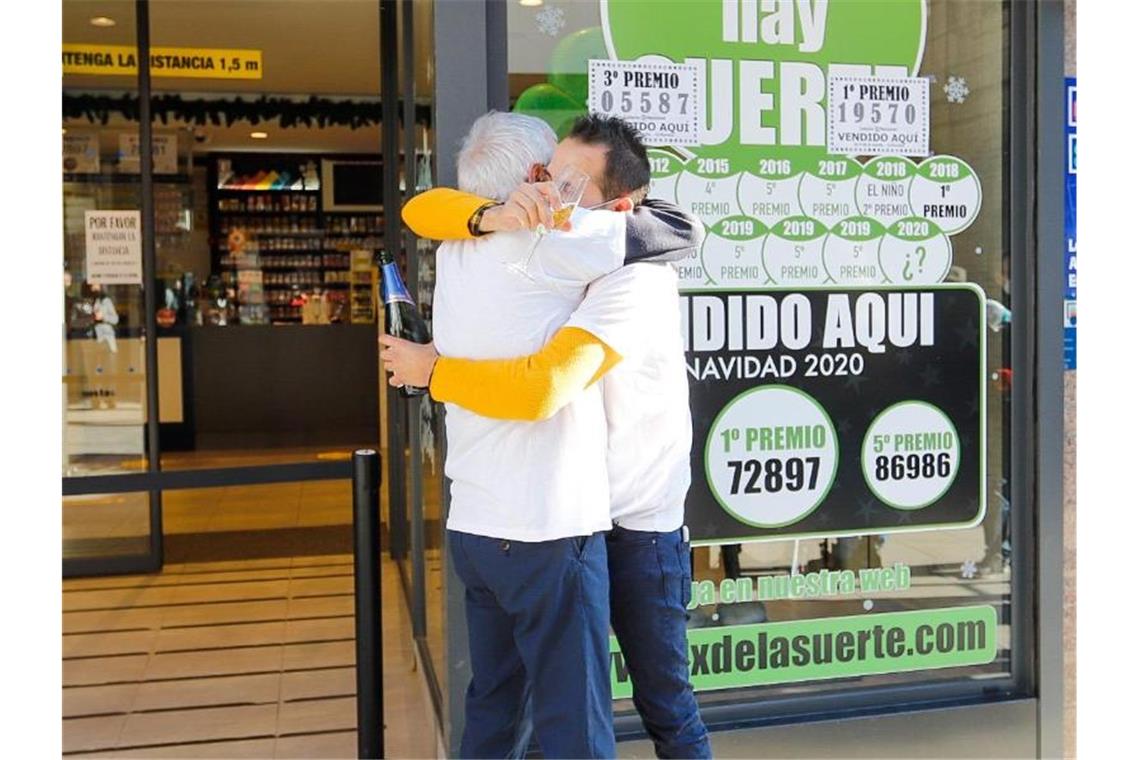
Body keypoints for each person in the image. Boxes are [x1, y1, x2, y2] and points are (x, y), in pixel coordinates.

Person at [384, 114, 712, 758]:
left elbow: (684, 229)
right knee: (562, 722)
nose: (548, 187)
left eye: (563, 179)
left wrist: (432, 369)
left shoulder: (614, 258)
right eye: (541, 173)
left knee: (648, 705)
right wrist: (494, 216)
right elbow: (423, 208)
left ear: (616, 207)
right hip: (557, 525)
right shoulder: (539, 241)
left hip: (630, 523)